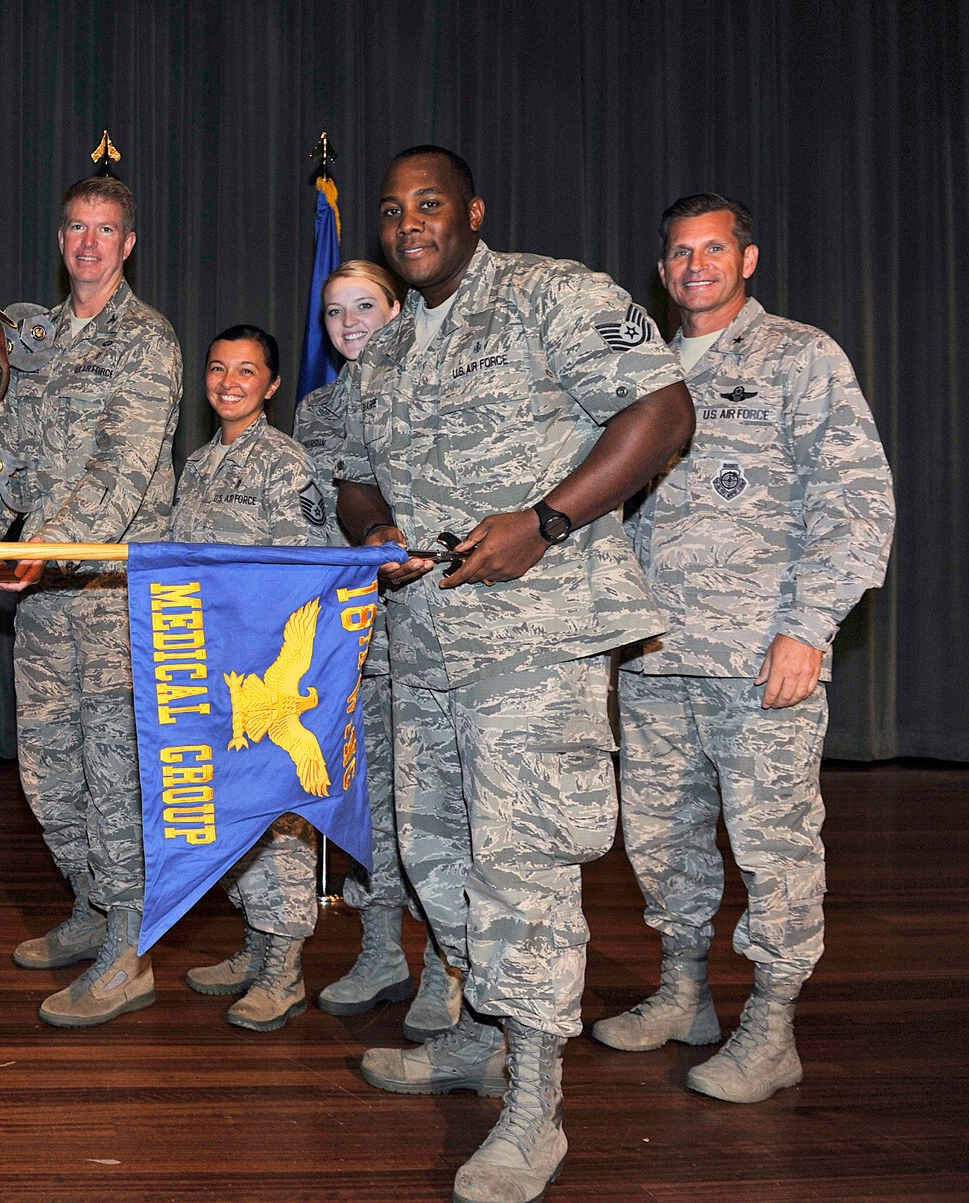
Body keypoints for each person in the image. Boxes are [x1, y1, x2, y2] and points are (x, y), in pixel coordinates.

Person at [332, 146, 694, 1203]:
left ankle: (533, 1107)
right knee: (434, 855)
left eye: (429, 203)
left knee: (521, 868)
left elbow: (662, 414)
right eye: (392, 210)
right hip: (425, 645)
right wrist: (379, 527)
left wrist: (544, 523)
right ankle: (478, 1038)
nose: (408, 222)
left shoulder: (555, 294)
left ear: (471, 212)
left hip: (534, 644)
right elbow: (350, 473)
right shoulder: (386, 353)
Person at [592, 194, 894, 1103]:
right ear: (663, 267)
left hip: (760, 654)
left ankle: (772, 1024)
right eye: (681, 253)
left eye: (714, 249)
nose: (696, 267)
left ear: (747, 259)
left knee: (774, 845)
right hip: (651, 651)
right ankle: (684, 993)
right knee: (660, 838)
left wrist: (809, 627)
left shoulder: (800, 356)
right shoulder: (637, 367)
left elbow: (856, 499)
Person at [0, 174, 183, 1027]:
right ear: (62, 242)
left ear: (128, 245)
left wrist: (43, 550)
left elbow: (120, 471)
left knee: (116, 776)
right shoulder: (39, 340)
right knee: (50, 775)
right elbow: (3, 444)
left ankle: (130, 950)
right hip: (45, 596)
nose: (90, 243)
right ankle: (93, 908)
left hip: (115, 594)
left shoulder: (147, 341)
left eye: (107, 230)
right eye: (77, 229)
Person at [287, 261, 461, 1040]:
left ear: (399, 310)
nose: (349, 323)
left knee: (438, 809)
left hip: (427, 631)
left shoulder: (435, 393)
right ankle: (381, 947)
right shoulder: (316, 412)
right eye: (333, 312)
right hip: (343, 645)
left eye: (365, 306)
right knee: (370, 803)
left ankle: (446, 971)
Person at [166, 325, 334, 1031]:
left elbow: (301, 572)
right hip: (207, 672)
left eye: (246, 371)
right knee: (228, 819)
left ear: (270, 385)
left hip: (265, 676)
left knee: (275, 823)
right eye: (217, 368)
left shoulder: (284, 463)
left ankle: (284, 969)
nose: (228, 381)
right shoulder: (200, 463)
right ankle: (254, 943)